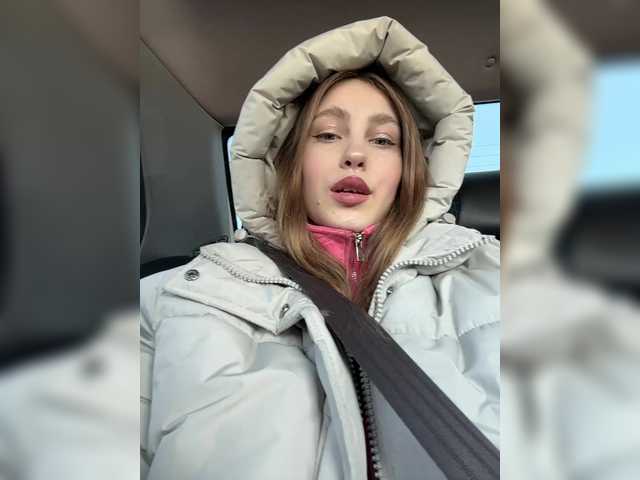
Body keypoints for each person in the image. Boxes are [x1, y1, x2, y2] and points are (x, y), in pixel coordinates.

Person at [141, 17, 499, 480]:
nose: (355, 155)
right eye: (328, 134)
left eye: (383, 140)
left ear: (411, 170)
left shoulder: (499, 277)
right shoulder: (174, 299)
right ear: (288, 162)